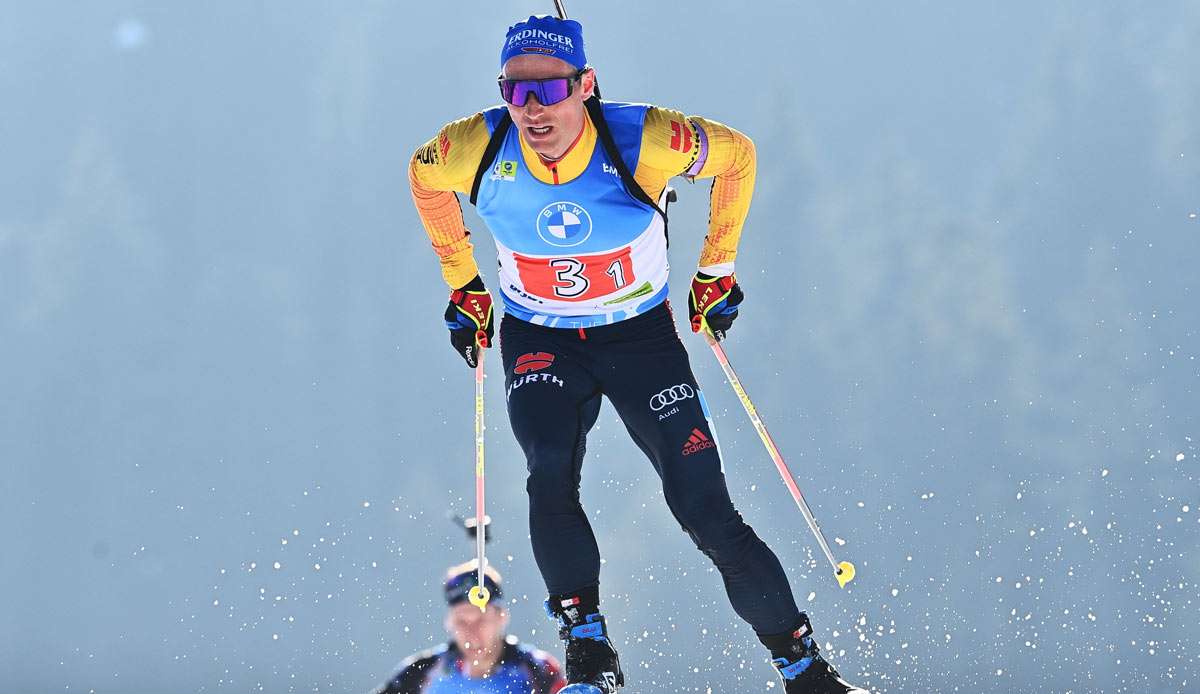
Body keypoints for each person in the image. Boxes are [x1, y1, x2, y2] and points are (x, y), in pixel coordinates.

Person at [407, 14, 867, 693]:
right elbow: (423, 179)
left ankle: (806, 672)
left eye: (552, 89)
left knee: (706, 512)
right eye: (517, 92)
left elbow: (737, 156)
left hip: (639, 341)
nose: (534, 110)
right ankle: (587, 644)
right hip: (541, 339)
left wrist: (717, 270)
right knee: (548, 472)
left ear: (585, 85)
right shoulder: (475, 146)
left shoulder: (641, 137)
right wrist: (464, 285)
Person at [373, 561, 565, 693]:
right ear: (448, 623)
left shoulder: (538, 669)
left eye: (481, 620)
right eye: (461, 622)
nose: (471, 633)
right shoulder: (421, 672)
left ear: (502, 617)